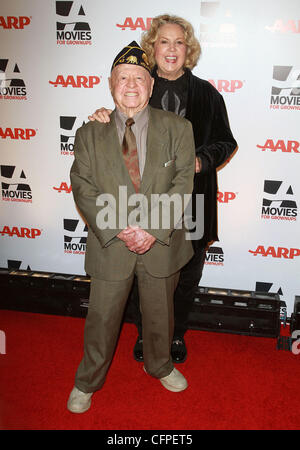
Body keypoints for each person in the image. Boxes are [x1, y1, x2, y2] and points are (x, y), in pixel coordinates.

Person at [89, 14, 237, 364]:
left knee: (187, 275)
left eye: (179, 42)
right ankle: (145, 334)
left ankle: (175, 336)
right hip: (145, 202)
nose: (171, 49)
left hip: (194, 201)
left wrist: (199, 161)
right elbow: (117, 128)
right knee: (145, 273)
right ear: (151, 47)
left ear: (189, 50)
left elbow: (226, 142)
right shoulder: (138, 84)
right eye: (164, 42)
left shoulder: (208, 94)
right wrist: (100, 118)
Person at [67, 41, 196, 413]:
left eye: (139, 78)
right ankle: (87, 380)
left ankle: (161, 365)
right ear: (111, 85)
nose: (131, 85)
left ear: (151, 86)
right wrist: (121, 229)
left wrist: (150, 230)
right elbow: (83, 186)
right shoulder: (90, 133)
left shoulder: (178, 128)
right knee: (102, 318)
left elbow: (183, 182)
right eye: (123, 78)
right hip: (111, 242)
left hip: (162, 242)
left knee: (160, 314)